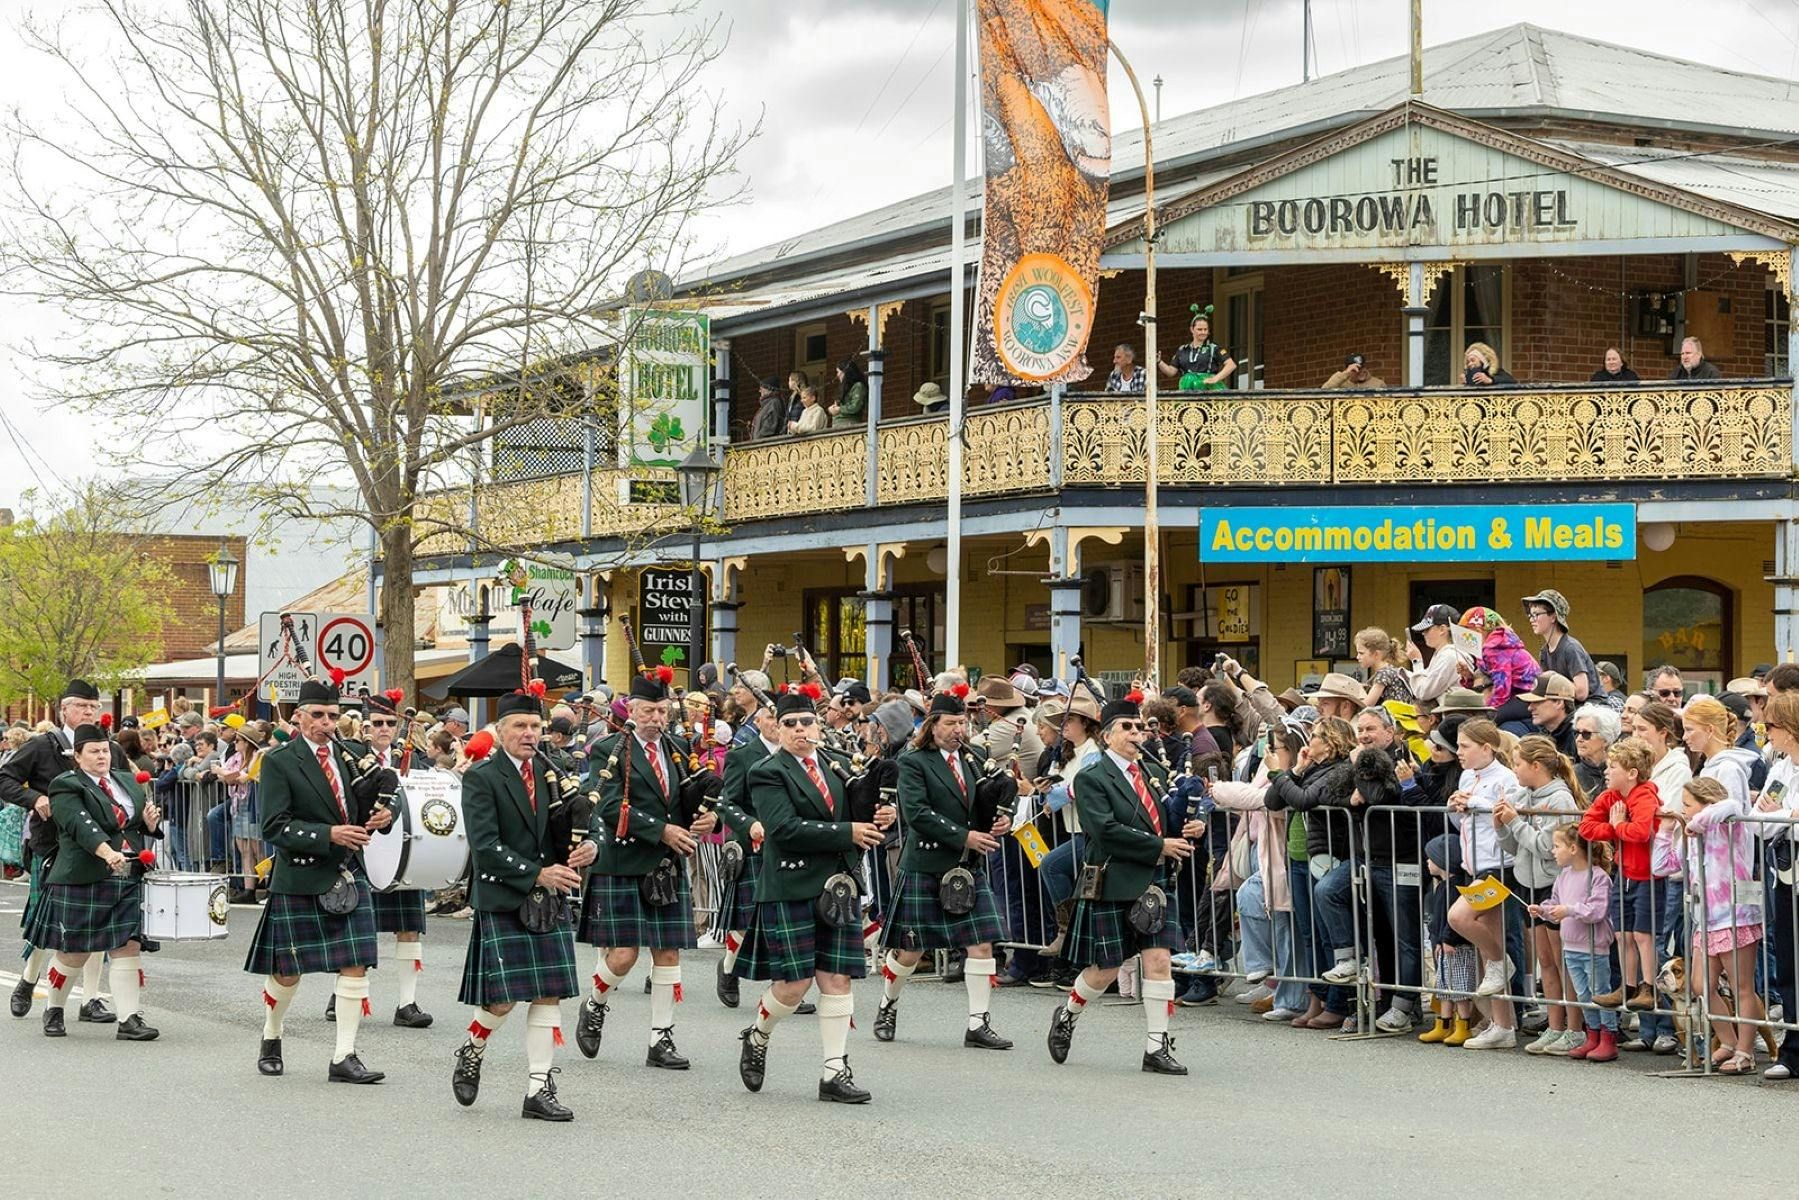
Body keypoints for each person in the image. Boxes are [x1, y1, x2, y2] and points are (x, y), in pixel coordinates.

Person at [732, 684, 885, 1103]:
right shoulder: (766, 771)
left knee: (837, 979)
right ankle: (759, 1034)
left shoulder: (838, 765)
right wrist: (847, 832)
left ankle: (834, 1072)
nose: (800, 729)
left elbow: (858, 818)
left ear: (818, 724)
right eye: (790, 724)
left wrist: (880, 817)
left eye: (807, 721)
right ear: (777, 730)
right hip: (791, 885)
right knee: (793, 987)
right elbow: (782, 829)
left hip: (837, 886)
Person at [450, 686, 596, 1120]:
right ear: (500, 731)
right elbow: (485, 845)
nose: (529, 733)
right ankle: (473, 1048)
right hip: (505, 895)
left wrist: (591, 849)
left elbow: (587, 821)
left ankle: (538, 1087)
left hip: (547, 898)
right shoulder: (482, 777)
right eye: (520, 726)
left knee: (547, 993)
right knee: (503, 1001)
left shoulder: (557, 773)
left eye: (536, 726)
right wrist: (538, 873)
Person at [242, 674, 395, 1082]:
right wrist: (329, 834)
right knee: (288, 971)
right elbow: (274, 826)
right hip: (301, 877)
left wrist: (383, 816)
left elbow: (366, 808)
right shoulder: (278, 761)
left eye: (333, 715)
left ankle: (344, 1055)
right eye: (319, 715)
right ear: (299, 717)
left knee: (355, 964)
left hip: (347, 872)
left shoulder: (353, 755)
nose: (327, 723)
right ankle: (272, 1033)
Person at [1046, 691, 1201, 1075]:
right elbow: (1105, 830)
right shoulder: (1091, 778)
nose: (1137, 734)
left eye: (1141, 728)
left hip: (1152, 880)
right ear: (1109, 736)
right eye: (1128, 728)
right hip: (1114, 879)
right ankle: (1067, 1014)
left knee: (1159, 961)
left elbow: (1164, 821)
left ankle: (1156, 1047)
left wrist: (1190, 827)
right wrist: (1159, 845)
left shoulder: (1153, 774)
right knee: (1107, 969)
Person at [573, 667, 715, 1070]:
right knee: (622, 956)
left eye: (663, 711)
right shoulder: (610, 749)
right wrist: (662, 831)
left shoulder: (677, 749)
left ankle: (661, 1038)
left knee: (667, 952)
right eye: (649, 710)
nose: (657, 718)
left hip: (665, 866)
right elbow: (607, 802)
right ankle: (595, 1002)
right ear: (632, 710)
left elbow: (689, 800)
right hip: (624, 862)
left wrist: (709, 820)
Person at [875, 685, 1014, 1049]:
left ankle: (978, 1023)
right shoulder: (912, 762)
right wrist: (965, 837)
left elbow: (981, 807)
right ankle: (888, 1003)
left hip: (966, 867)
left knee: (981, 945)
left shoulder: (972, 758)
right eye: (952, 722)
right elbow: (918, 814)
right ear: (933, 724)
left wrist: (998, 823)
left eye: (962, 722)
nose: (959, 729)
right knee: (911, 950)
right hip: (926, 863)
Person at [1, 679, 128, 1024]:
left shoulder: (109, 748)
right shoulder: (42, 746)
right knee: (51, 921)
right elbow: (5, 778)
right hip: (53, 844)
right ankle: (28, 981)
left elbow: (127, 789)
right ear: (64, 710)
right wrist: (35, 798)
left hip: (100, 846)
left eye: (93, 706)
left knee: (96, 922)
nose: (89, 711)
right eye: (81, 706)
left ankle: (90, 999)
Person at [32, 725, 162, 1041]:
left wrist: (150, 825)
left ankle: (129, 1019)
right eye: (94, 751)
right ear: (77, 756)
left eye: (105, 750)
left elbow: (132, 825)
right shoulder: (65, 785)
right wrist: (107, 852)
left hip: (128, 874)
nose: (102, 755)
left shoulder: (127, 781)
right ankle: (55, 1008)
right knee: (73, 951)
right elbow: (81, 825)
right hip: (83, 876)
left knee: (127, 944)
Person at [335, 688, 431, 1029]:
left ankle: (407, 1003)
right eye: (377, 723)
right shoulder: (348, 755)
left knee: (409, 928)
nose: (384, 729)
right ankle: (344, 992)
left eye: (390, 723)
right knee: (356, 927)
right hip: (360, 850)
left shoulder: (414, 759)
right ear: (365, 726)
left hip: (403, 853)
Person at [1265, 715, 1357, 1029]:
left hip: (1323, 856)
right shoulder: (1313, 768)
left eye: (1316, 735)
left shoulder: (1340, 770)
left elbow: (1303, 800)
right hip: (1298, 858)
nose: (1310, 741)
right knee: (1308, 934)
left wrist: (1278, 773)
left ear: (1331, 743)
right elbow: (1272, 800)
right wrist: (1295, 770)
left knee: (1326, 933)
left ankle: (1336, 1002)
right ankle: (1315, 997)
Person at [1496, 735, 1584, 1055]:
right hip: (1527, 881)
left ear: (1536, 766)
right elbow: (1515, 846)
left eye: (1518, 763)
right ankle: (1555, 1024)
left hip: (1553, 885)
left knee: (1563, 960)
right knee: (1545, 960)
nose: (1514, 769)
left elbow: (1548, 849)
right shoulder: (1524, 793)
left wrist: (1515, 822)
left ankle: (1575, 1028)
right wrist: (1501, 826)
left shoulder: (1560, 800)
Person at [1672, 777, 1764, 1073]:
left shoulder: (1730, 820)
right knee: (1701, 985)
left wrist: (1697, 821)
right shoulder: (1693, 832)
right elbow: (1671, 863)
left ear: (1705, 805)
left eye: (1687, 805)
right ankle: (1727, 1040)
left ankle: (1745, 1051)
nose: (1683, 811)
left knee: (1742, 987)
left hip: (1734, 915)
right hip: (1706, 918)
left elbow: (1732, 803)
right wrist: (1676, 834)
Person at [1445, 719, 1521, 1048]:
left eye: (1464, 746)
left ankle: (1502, 964)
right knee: (1489, 943)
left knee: (1458, 917)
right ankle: (1503, 1026)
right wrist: (1454, 806)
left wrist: (1472, 804)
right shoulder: (1466, 777)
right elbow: (1462, 823)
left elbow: (1505, 811)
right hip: (1474, 865)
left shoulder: (1507, 778)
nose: (1458, 752)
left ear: (1486, 748)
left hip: (1499, 866)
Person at [1581, 738, 1663, 1014]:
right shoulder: (1610, 797)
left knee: (1643, 934)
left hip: (1648, 875)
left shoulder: (1645, 795)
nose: (1606, 771)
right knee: (1623, 933)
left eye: (1612, 766)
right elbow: (1587, 828)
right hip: (1623, 872)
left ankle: (1649, 987)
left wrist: (1618, 825)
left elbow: (1641, 832)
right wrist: (1616, 827)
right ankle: (1627, 987)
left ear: (1632, 773)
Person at [713, 683, 779, 1008]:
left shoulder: (803, 758)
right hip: (754, 847)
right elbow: (726, 804)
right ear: (760, 720)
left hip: (789, 849)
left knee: (784, 918)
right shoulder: (742, 756)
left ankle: (784, 983)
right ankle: (728, 967)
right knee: (748, 920)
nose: (778, 723)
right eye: (771, 717)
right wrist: (750, 825)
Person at [1536, 826, 1617, 1061]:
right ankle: (1591, 1035)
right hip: (1570, 946)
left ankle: (1608, 1037)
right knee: (1583, 994)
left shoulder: (1599, 876)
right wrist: (1542, 910)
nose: (1553, 851)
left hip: (1594, 947)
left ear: (1573, 848)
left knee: (1600, 993)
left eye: (1557, 846)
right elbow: (1555, 903)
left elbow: (1597, 910)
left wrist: (1567, 910)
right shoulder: (1563, 876)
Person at [1754, 691, 1799, 1080]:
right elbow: (1760, 821)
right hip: (1786, 875)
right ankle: (1793, 1050)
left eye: (1771, 726)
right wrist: (1789, 814)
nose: (1766, 732)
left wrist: (1781, 814)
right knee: (1787, 963)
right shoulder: (1782, 768)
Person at [1417, 838, 1479, 1046]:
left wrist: (1447, 938)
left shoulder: (1454, 888)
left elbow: (1452, 919)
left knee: (1459, 988)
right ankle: (1444, 1024)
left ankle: (1464, 1025)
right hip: (1442, 945)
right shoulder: (1442, 887)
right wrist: (1436, 940)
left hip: (1456, 946)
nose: (1427, 861)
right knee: (1443, 986)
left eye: (1431, 857)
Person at [1456, 608, 1539, 734]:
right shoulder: (1497, 645)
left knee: (1485, 724)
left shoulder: (1493, 648)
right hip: (1523, 694)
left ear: (1478, 631)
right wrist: (1468, 676)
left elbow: (1502, 686)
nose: (1464, 638)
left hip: (1527, 695)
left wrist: (1491, 710)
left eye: (1466, 633)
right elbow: (1490, 673)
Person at [1156, 305, 1235, 392]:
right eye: (1200, 329)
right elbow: (1171, 372)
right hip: (1187, 391)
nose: (1203, 332)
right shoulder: (1183, 350)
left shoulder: (1213, 348)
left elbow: (1231, 365)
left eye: (1206, 329)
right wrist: (1159, 361)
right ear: (1192, 329)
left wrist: (1215, 378)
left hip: (1208, 390)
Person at [1405, 604, 1471, 704]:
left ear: (1442, 629)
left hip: (1454, 716)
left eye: (1427, 629)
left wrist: (1417, 661)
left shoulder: (1449, 656)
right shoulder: (1442, 653)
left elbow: (1424, 692)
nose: (1423, 633)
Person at [1570, 703, 1620, 799]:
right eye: (1576, 733)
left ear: (1605, 739)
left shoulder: (1622, 773)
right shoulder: (1571, 774)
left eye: (1586, 734)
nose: (1579, 739)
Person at [1355, 628, 1415, 706]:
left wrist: (1360, 689)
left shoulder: (1383, 674)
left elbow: (1366, 706)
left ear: (1376, 654)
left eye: (1361, 653)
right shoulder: (1389, 671)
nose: (1357, 657)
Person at [829, 358, 867, 427]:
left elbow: (855, 407)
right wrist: (832, 408)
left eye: (838, 372)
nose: (837, 375)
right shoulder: (844, 388)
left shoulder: (858, 386)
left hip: (849, 425)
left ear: (845, 372)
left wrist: (839, 409)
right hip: (837, 424)